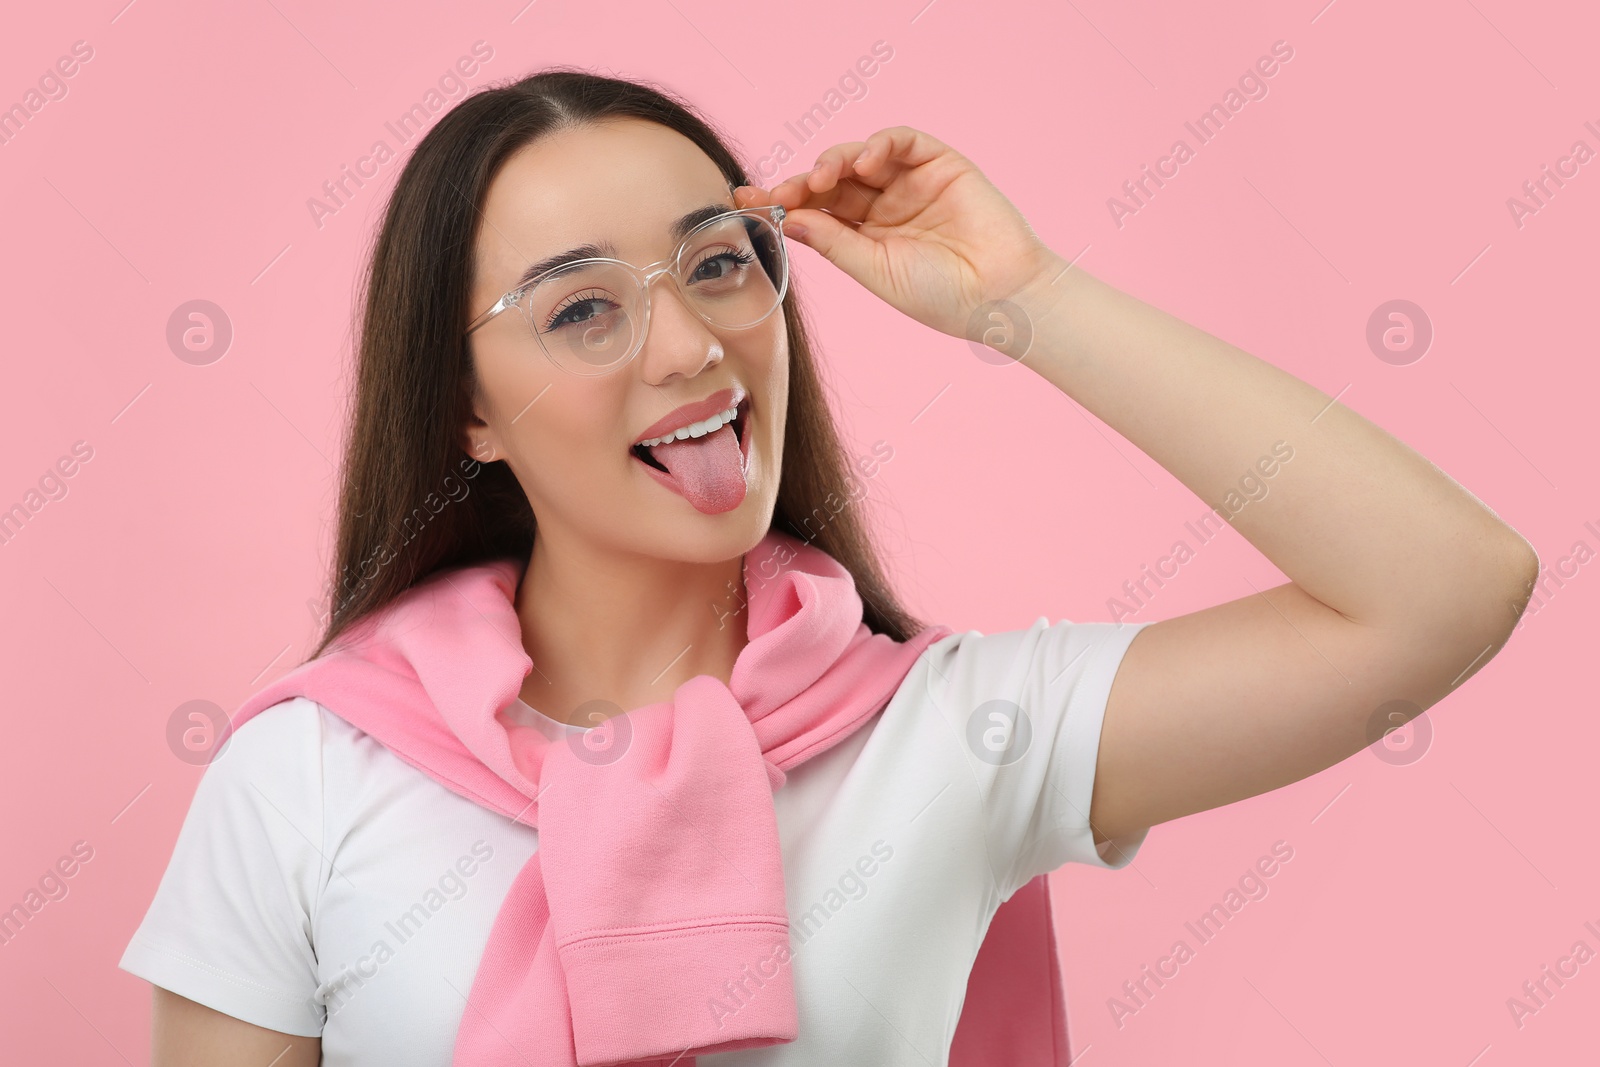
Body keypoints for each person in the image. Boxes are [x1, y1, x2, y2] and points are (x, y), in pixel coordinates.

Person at [118, 67, 1538, 1067]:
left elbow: (1445, 590)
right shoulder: (307, 775)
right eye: (583, 310)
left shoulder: (964, 735)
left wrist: (1027, 302)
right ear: (466, 412)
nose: (689, 349)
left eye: (720, 266)